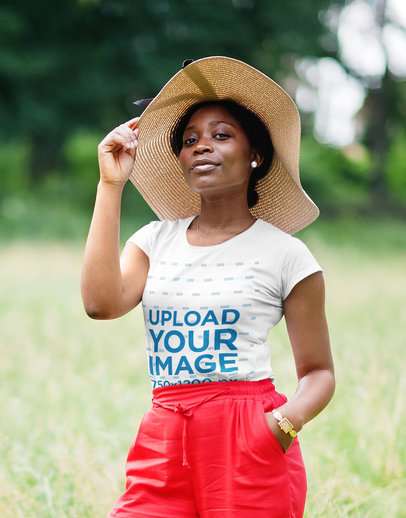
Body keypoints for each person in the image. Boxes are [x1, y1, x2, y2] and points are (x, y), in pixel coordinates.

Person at [81, 56, 335, 518]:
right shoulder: (154, 241)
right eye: (190, 140)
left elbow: (319, 372)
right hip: (164, 432)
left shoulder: (286, 254)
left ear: (255, 154)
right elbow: (100, 305)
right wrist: (110, 185)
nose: (202, 147)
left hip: (249, 435)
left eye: (221, 135)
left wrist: (279, 427)